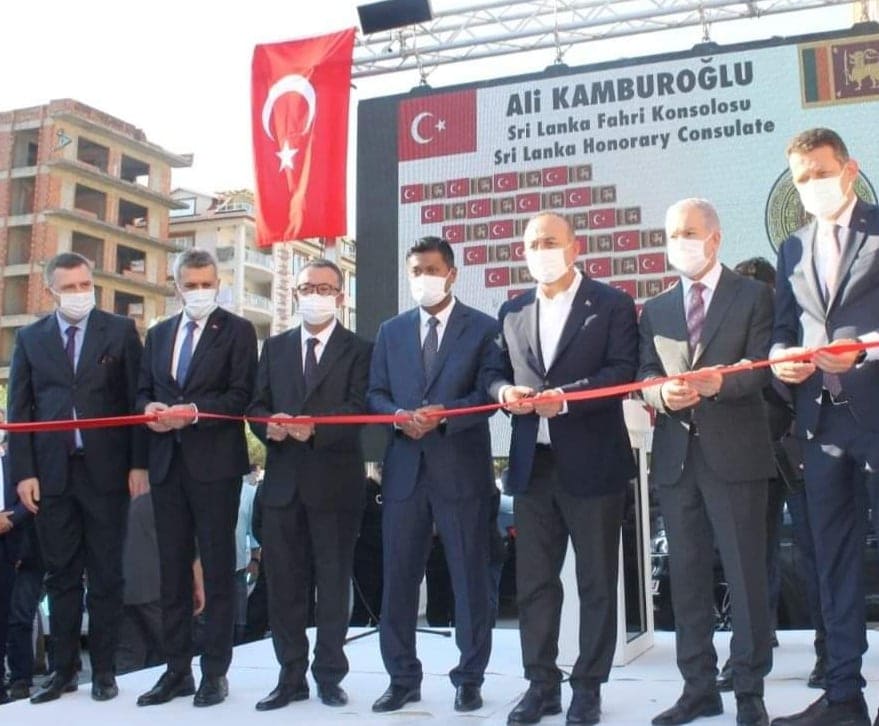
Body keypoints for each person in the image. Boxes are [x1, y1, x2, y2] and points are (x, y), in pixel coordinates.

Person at [488, 212, 638, 726]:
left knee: (596, 583)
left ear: (575, 248)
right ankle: (541, 685)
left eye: (550, 241)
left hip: (594, 465)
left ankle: (588, 688)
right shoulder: (512, 309)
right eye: (532, 244)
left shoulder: (611, 304)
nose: (540, 251)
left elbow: (622, 371)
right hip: (533, 467)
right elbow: (493, 372)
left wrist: (566, 399)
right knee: (534, 584)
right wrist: (503, 392)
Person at [639, 199, 775, 726]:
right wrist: (660, 394)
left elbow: (763, 367)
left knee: (745, 576)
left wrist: (722, 382)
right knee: (687, 577)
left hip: (736, 455)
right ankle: (698, 688)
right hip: (677, 460)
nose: (679, 242)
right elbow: (644, 373)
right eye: (672, 234)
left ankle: (748, 689)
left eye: (689, 232)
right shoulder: (656, 308)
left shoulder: (754, 296)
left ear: (715, 238)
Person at [769, 128, 879, 726]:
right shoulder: (792, 248)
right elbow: (784, 327)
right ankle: (843, 698)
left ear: (849, 169)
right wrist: (781, 357)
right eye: (801, 178)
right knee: (833, 565)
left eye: (820, 172)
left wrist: (864, 348)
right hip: (821, 424)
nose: (811, 184)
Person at [367, 236, 502, 714]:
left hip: (462, 472)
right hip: (404, 472)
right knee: (399, 580)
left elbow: (488, 395)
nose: (422, 278)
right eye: (415, 271)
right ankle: (402, 678)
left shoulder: (483, 328)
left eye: (430, 269)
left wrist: (445, 414)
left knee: (469, 579)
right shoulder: (391, 331)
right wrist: (397, 416)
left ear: (451, 274)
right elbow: (375, 393)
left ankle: (470, 678)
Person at [7, 252, 147, 704]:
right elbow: (19, 410)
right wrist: (24, 474)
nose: (79, 294)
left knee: (106, 576)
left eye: (85, 285)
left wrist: (138, 464)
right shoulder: (31, 338)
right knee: (61, 576)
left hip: (106, 474)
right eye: (69, 288)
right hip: (51, 477)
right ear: (52, 291)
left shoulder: (119, 331)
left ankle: (104, 671)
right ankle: (62, 671)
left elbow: (137, 402)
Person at [248, 258, 372, 711]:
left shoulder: (360, 349)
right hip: (283, 487)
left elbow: (361, 407)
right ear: (295, 294)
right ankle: (290, 677)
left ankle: (329, 675)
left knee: (333, 586)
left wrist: (315, 428)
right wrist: (268, 425)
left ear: (340, 295)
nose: (315, 295)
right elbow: (256, 405)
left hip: (335, 485)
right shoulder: (275, 347)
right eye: (307, 288)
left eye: (324, 288)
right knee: (284, 587)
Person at [136, 247, 257, 708]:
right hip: (167, 464)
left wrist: (193, 412)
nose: (200, 291)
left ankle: (214, 672)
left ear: (218, 284)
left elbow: (241, 395)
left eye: (207, 283)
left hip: (215, 467)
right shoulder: (158, 333)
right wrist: (149, 408)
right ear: (177, 286)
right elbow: (142, 391)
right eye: (192, 284)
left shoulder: (238, 331)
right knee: (171, 572)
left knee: (220, 570)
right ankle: (176, 670)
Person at [715, 258, 825, 694]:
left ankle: (829, 651)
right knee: (750, 561)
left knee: (816, 556)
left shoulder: (795, 323)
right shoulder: (733, 328)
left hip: (799, 452)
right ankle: (749, 649)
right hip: (750, 455)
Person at [233, 467, 260, 645]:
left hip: (238, 568)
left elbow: (253, 528)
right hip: (207, 569)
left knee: (239, 623)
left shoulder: (248, 492)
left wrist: (255, 559)